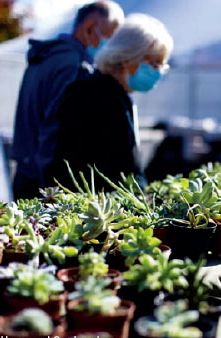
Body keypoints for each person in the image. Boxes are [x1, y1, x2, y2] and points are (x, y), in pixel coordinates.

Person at [41, 13, 173, 192]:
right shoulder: (107, 99)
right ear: (129, 58)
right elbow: (120, 169)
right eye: (155, 63)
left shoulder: (92, 88)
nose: (158, 71)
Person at [10, 1, 125, 200]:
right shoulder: (74, 66)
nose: (112, 48)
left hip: (25, 171)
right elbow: (56, 126)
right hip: (44, 182)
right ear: (90, 28)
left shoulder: (47, 56)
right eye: (111, 38)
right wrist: (53, 186)